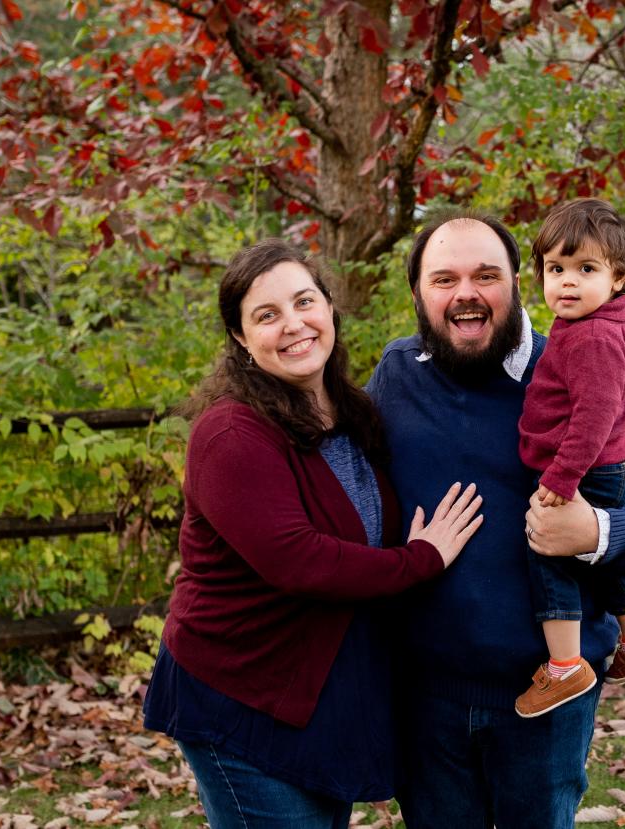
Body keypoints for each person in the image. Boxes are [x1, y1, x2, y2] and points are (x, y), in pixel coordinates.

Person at [143, 239, 484, 829]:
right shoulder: (231, 435)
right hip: (243, 692)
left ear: (329, 308)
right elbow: (298, 560)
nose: (293, 324)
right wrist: (421, 560)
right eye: (267, 315)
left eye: (305, 302)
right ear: (242, 339)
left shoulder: (352, 413)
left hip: (318, 699)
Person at [367, 209, 625, 829]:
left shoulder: (572, 361)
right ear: (417, 293)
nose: (465, 294)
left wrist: (598, 532)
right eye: (443, 279)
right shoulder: (396, 377)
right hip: (425, 694)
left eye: (486, 275)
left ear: (517, 282)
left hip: (548, 699)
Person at [514, 198, 625, 719]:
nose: (567, 282)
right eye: (555, 269)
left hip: (591, 467)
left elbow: (595, 416)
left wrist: (561, 476)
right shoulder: (592, 330)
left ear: (619, 278)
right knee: (597, 556)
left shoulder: (593, 337)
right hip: (610, 464)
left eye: (586, 269)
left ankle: (564, 664)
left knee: (548, 549)